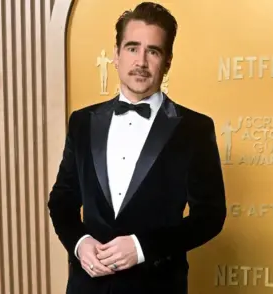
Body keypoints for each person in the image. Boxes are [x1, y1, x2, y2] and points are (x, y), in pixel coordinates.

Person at [48, 2, 226, 293]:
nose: (141, 61)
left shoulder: (195, 129)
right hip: (87, 286)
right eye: (132, 48)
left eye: (153, 51)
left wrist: (143, 247)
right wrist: (80, 244)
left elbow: (210, 216)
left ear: (167, 61)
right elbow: (62, 201)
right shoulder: (82, 122)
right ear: (116, 55)